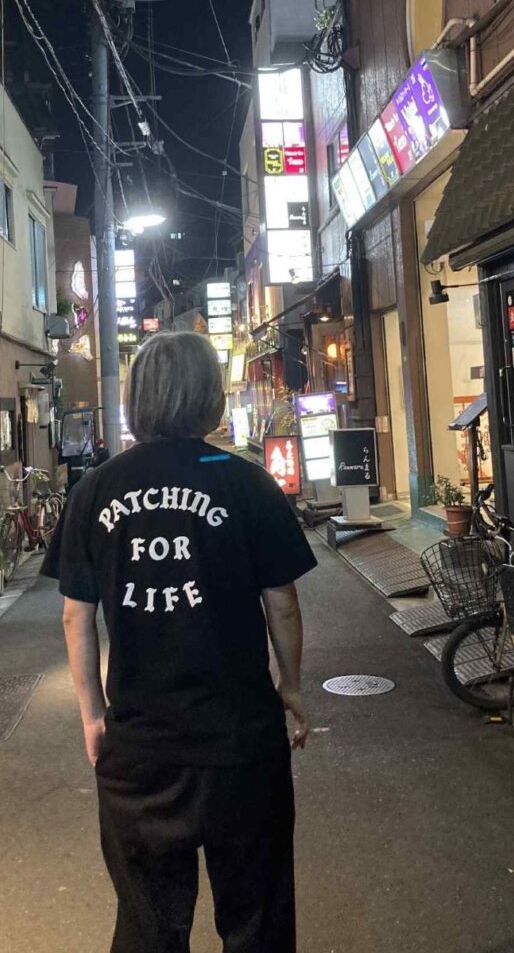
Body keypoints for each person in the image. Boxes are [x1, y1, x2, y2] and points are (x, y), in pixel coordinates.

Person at [51, 331, 316, 953]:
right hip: (241, 741)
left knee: (149, 925)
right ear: (209, 397)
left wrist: (93, 716)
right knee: (257, 919)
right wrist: (292, 686)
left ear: (138, 398)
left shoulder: (94, 490)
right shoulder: (248, 484)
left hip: (140, 749)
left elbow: (75, 617)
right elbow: (282, 601)